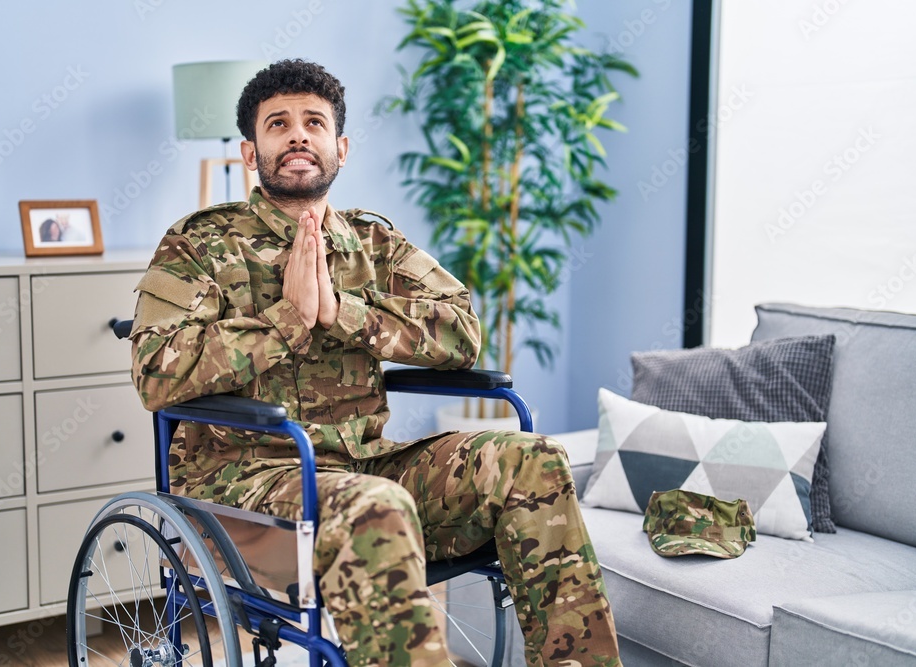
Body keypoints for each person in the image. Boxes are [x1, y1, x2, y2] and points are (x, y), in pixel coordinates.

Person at [130, 59, 621, 667]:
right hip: (245, 482)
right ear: (251, 153)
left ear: (341, 147)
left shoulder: (375, 244)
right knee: (373, 504)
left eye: (314, 122)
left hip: (367, 461)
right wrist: (288, 320)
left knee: (533, 459)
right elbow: (154, 373)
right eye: (278, 124)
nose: (297, 135)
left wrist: (343, 312)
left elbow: (463, 331)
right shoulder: (199, 243)